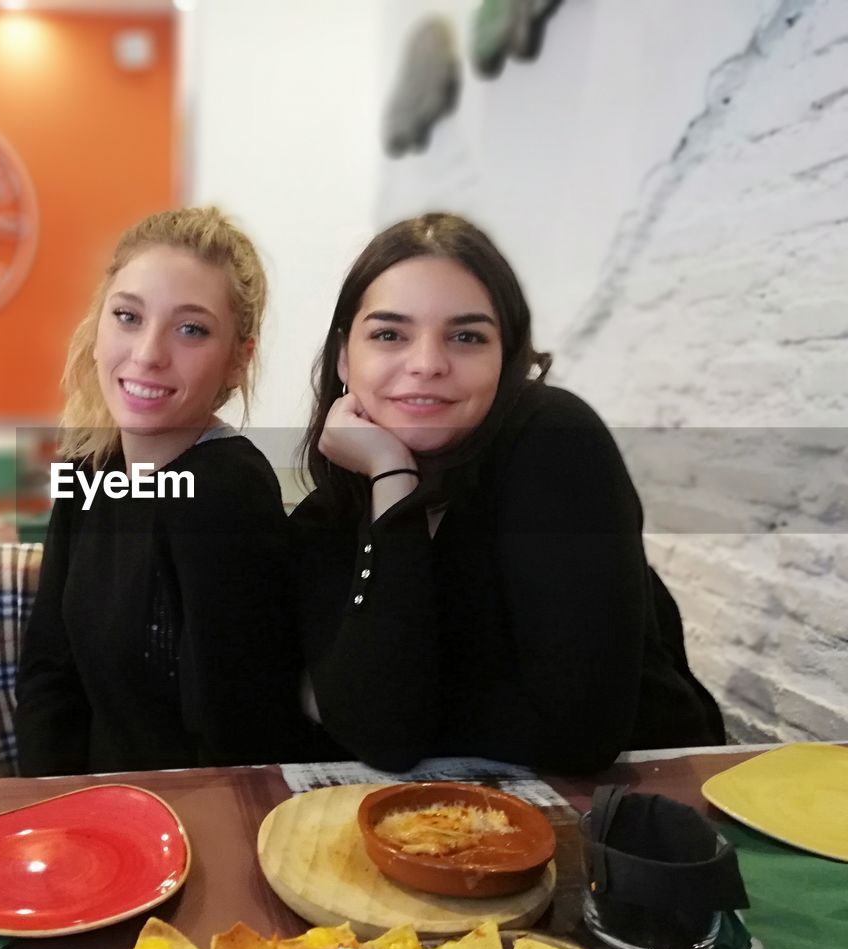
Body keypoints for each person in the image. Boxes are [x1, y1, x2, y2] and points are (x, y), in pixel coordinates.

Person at [291, 213, 724, 775]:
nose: (426, 364)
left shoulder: (555, 441)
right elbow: (384, 736)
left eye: (467, 336)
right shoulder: (325, 516)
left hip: (650, 800)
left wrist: (375, 703)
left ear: (507, 357)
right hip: (459, 820)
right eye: (389, 334)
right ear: (347, 357)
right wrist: (390, 476)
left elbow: (579, 733)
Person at [13, 206, 313, 775]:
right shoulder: (89, 464)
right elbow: (49, 671)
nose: (149, 352)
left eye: (191, 329)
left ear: (236, 361)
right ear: (98, 325)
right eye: (128, 316)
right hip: (94, 807)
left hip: (197, 823)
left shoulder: (225, 493)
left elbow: (237, 739)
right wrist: (51, 809)